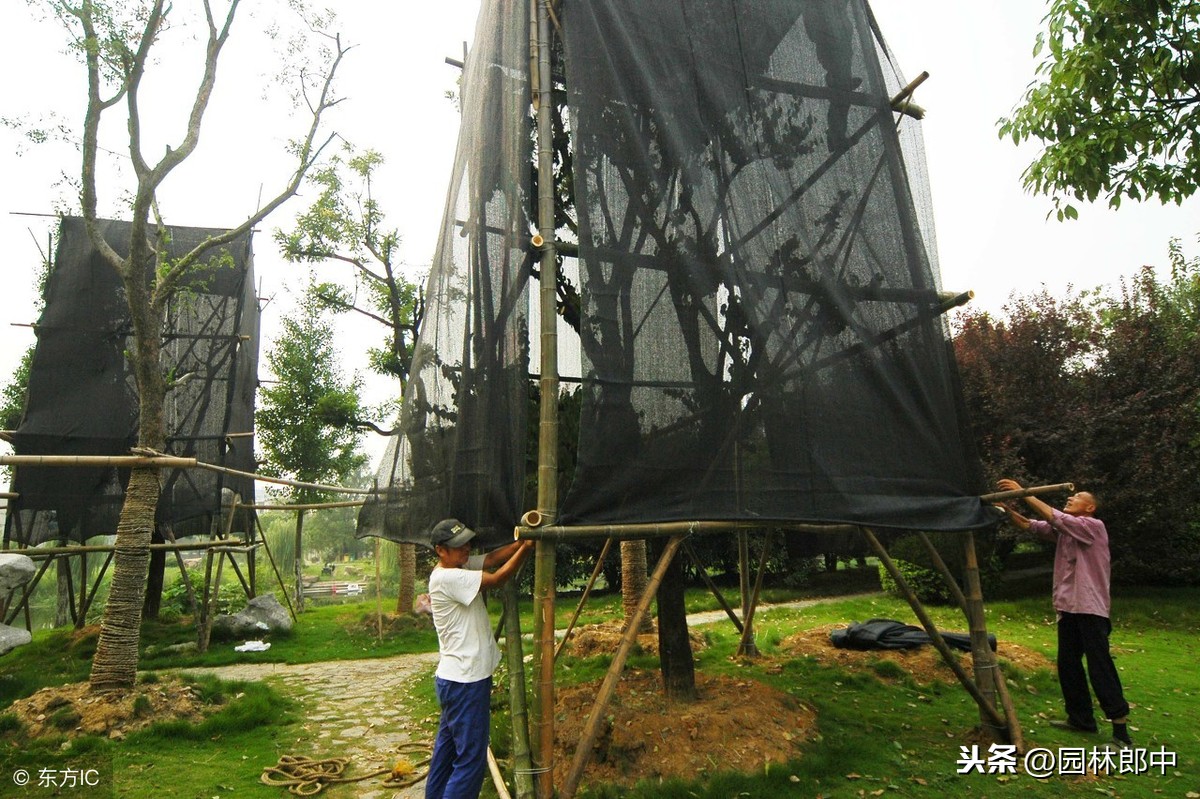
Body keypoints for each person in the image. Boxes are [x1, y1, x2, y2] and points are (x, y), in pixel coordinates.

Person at [995, 479, 1132, 749]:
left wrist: (1025, 492)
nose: (1070, 498)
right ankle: (1081, 719)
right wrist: (1005, 510)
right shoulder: (1066, 531)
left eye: (1077, 497)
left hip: (1090, 609)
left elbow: (1052, 515)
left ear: (1089, 507)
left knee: (1099, 666)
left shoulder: (1093, 526)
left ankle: (1121, 734)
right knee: (1068, 663)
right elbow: (1029, 525)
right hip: (1068, 608)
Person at [425, 518, 534, 799]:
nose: (466, 550)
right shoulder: (449, 577)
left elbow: (492, 558)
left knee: (446, 752)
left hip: (455, 680)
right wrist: (528, 549)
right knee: (471, 760)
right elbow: (497, 578)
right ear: (440, 550)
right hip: (466, 681)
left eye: (467, 544)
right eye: (459, 546)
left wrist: (520, 542)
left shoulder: (456, 566)